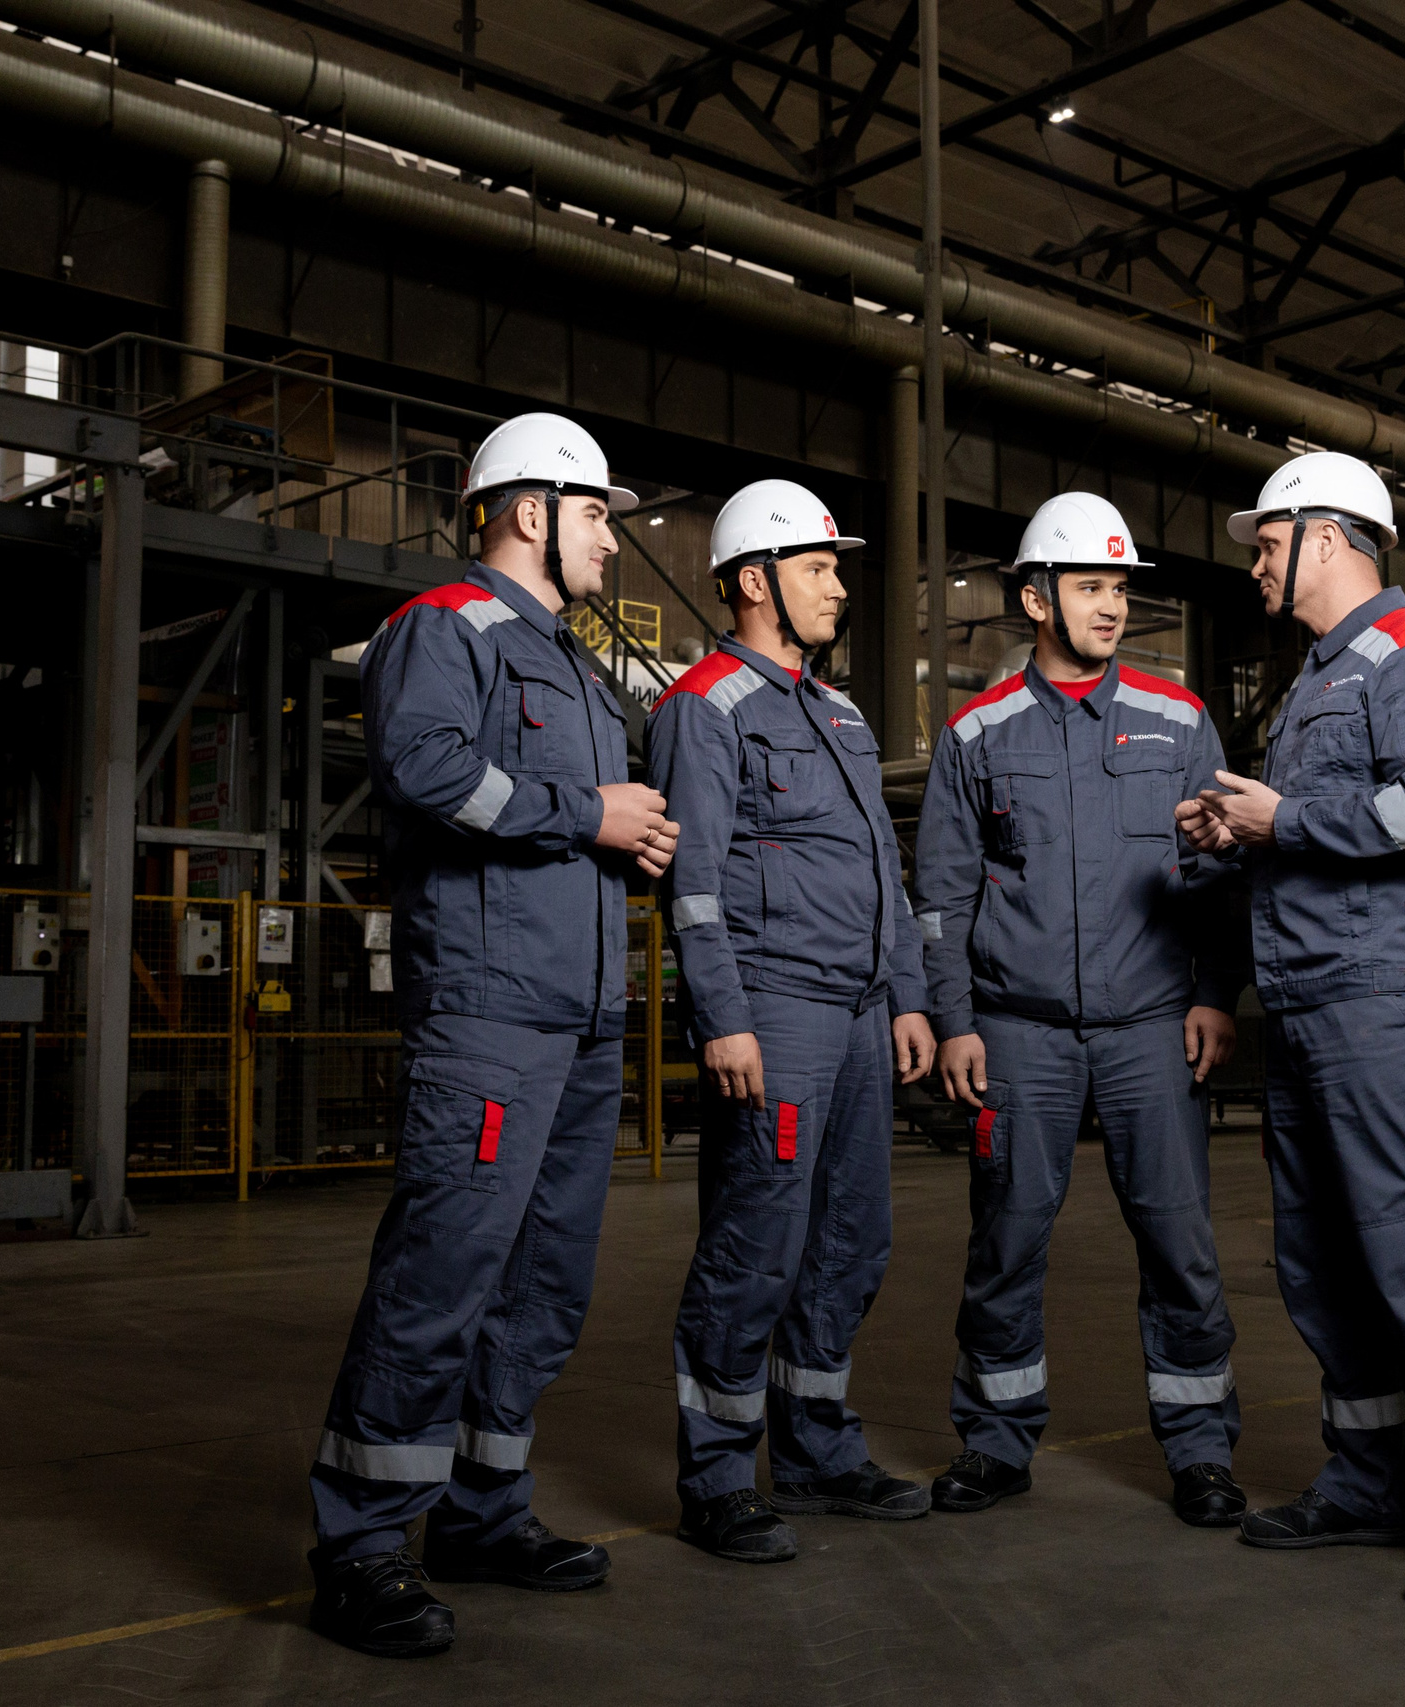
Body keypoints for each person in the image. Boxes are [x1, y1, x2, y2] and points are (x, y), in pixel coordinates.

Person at [307, 413, 679, 1658]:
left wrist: (626, 834)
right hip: (489, 1007)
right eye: (597, 516)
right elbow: (426, 772)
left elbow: (567, 817)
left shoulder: (575, 665)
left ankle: (481, 1513)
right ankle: (362, 1547)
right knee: (443, 1273)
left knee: (541, 1287)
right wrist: (588, 814)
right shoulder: (444, 628)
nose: (611, 543)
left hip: (580, 1017)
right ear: (529, 512)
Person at [1176, 450, 1405, 1608]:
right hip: (1306, 1000)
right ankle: (1365, 1483)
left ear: (1328, 538)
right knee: (1323, 1262)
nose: (1256, 565)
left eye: (1270, 544)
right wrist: (1238, 831)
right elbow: (1315, 828)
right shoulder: (1315, 681)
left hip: (1378, 996)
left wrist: (1283, 818)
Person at [910, 492, 1249, 1527]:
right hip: (1019, 1032)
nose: (1111, 606)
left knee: (1180, 1242)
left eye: (1120, 589)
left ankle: (1201, 1450)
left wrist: (1213, 995)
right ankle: (994, 1441)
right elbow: (941, 894)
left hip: (1153, 1026)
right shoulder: (975, 731)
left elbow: (1216, 872)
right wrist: (956, 1020)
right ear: (1036, 598)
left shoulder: (1178, 719)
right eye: (1091, 586)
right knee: (1006, 1239)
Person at [649, 478, 938, 1563]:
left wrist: (908, 994)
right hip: (773, 1012)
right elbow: (693, 883)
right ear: (753, 583)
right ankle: (719, 1480)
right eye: (817, 567)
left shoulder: (840, 714)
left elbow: (883, 872)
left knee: (851, 1241)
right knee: (754, 1246)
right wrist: (722, 1016)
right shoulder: (705, 707)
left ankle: (816, 1454)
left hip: (859, 1016)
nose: (837, 586)